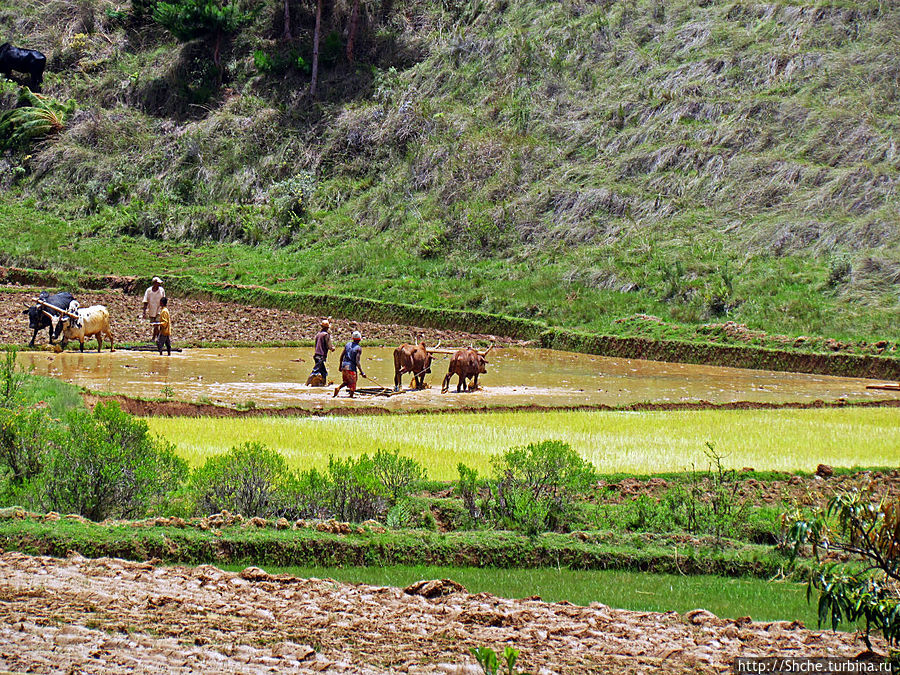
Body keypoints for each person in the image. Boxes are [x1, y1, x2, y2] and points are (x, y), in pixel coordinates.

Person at [334, 331, 365, 398]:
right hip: (351, 368)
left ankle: (338, 388)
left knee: (346, 381)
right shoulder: (358, 348)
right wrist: (362, 372)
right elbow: (357, 361)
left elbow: (342, 356)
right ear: (359, 339)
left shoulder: (347, 345)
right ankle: (351, 397)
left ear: (353, 338)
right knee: (353, 383)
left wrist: (340, 366)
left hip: (344, 366)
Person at [307, 319, 335, 386]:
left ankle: (323, 385)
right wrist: (332, 348)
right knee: (315, 371)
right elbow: (329, 345)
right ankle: (306, 384)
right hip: (321, 356)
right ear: (327, 328)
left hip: (316, 355)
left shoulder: (318, 334)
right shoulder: (326, 335)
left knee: (324, 372)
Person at [142, 277, 166, 341]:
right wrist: (144, 311)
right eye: (158, 283)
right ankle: (156, 338)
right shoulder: (148, 291)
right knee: (154, 324)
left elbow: (164, 300)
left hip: (159, 309)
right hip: (151, 310)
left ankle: (156, 338)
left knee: (157, 324)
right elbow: (145, 301)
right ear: (154, 283)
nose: (159, 285)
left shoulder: (161, 290)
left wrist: (164, 309)